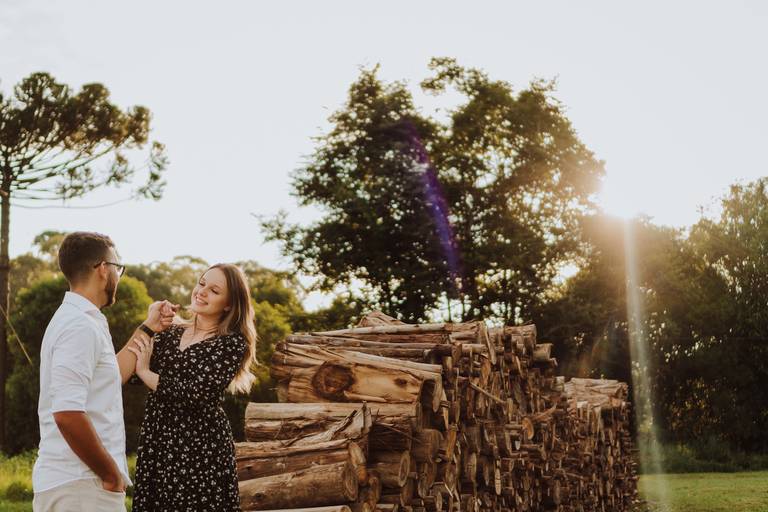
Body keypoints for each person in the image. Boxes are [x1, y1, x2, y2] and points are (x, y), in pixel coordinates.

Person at [33, 231, 176, 512]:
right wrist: (110, 474)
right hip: (82, 485)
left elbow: (113, 376)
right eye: (117, 267)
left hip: (80, 484)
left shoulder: (86, 321)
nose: (118, 276)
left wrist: (148, 328)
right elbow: (67, 414)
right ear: (103, 269)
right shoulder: (78, 326)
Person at [128, 263, 257, 511]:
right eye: (201, 283)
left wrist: (146, 373)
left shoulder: (230, 344)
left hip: (202, 449)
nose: (202, 291)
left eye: (214, 290)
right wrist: (151, 322)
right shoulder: (170, 333)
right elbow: (133, 374)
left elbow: (196, 394)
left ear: (229, 304)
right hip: (159, 443)